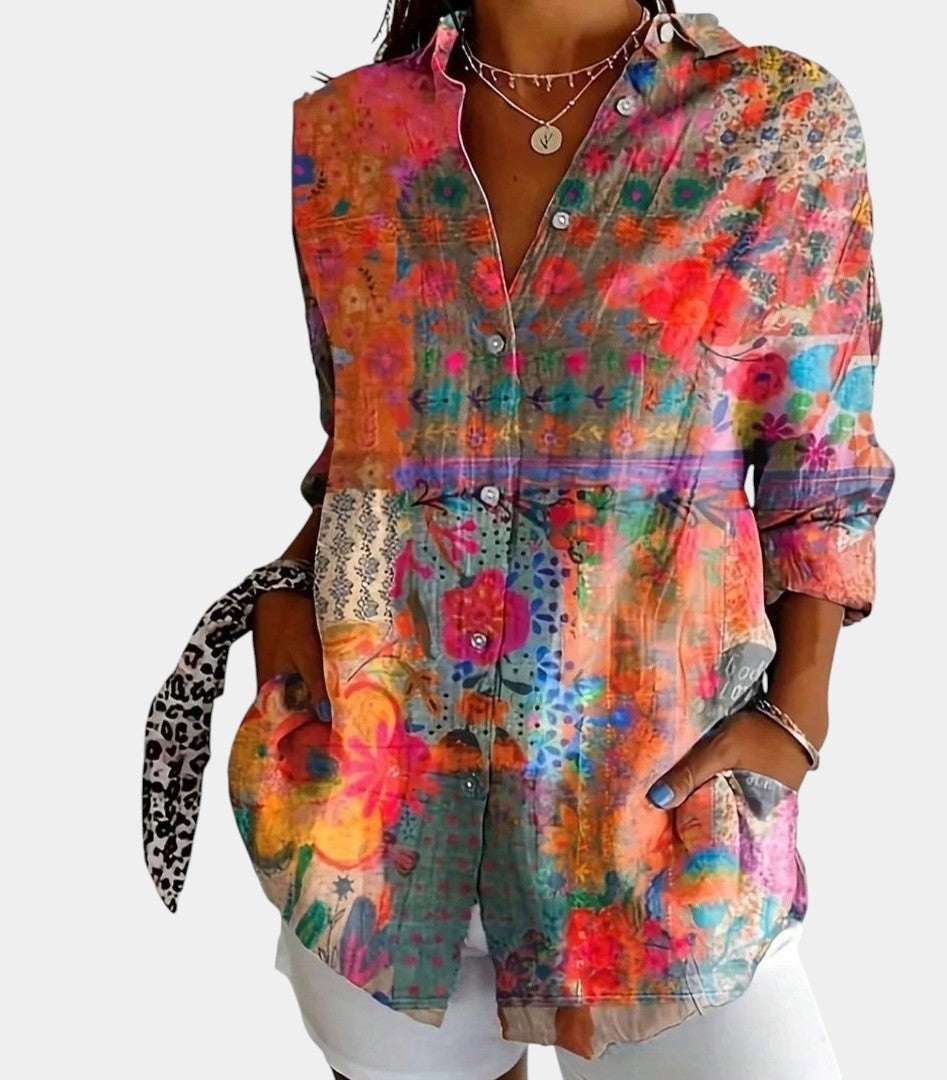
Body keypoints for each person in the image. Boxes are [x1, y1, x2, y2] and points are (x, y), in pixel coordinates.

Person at [143, 2, 895, 1077]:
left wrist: (800, 711)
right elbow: (366, 448)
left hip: (657, 834)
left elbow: (820, 463)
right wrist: (285, 599)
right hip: (377, 832)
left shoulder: (775, 122)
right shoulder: (349, 136)